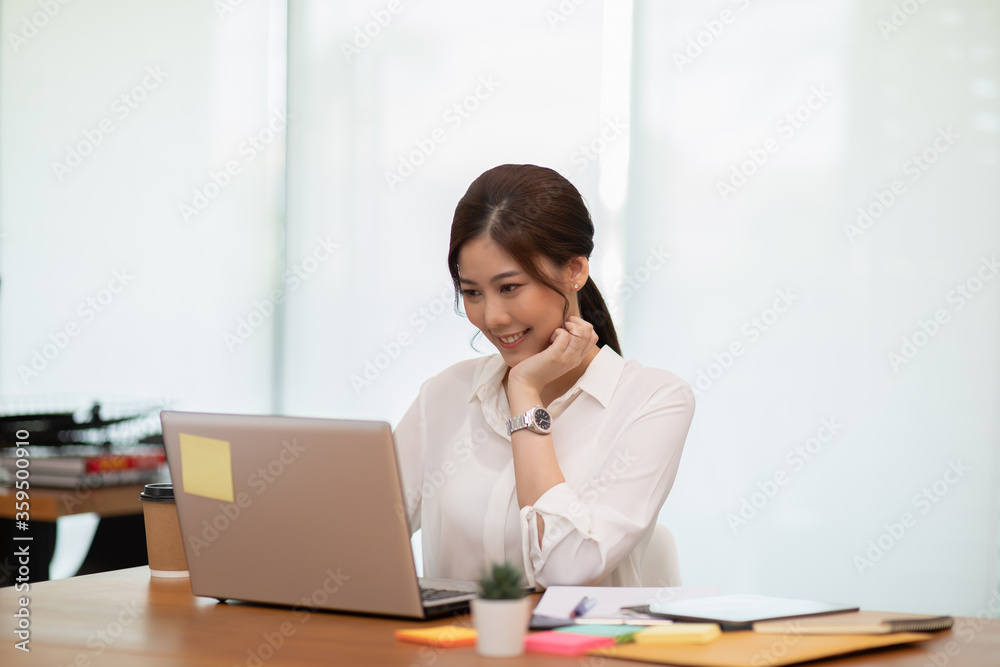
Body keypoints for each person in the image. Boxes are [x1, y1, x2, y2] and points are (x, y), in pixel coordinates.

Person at [394, 164, 694, 589]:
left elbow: (563, 570)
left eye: (510, 287)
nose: (492, 317)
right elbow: (356, 541)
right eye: (473, 292)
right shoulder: (444, 396)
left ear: (574, 270)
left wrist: (525, 391)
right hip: (452, 653)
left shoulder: (654, 400)